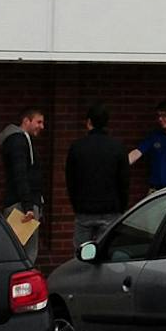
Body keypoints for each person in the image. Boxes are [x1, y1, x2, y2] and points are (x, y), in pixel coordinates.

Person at [64, 104, 129, 249]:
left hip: (84, 209)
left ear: (89, 122)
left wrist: (76, 205)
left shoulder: (77, 147)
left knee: (81, 253)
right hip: (111, 209)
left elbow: (70, 180)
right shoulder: (117, 147)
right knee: (106, 251)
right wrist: (121, 207)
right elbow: (124, 181)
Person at [0, 106, 45, 262]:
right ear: (26, 121)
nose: (41, 126)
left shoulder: (16, 141)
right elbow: (21, 174)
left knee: (16, 252)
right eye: (38, 122)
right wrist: (28, 206)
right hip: (23, 207)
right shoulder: (19, 142)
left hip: (20, 203)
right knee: (26, 255)